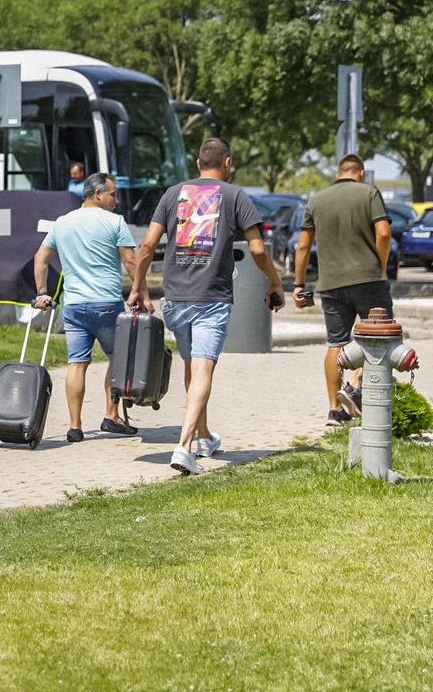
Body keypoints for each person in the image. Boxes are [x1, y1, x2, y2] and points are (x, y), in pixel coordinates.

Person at [128, 137, 285, 475]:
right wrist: (274, 281)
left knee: (192, 366)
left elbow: (147, 246)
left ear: (198, 163)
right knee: (202, 369)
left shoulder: (173, 194)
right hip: (210, 299)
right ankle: (184, 448)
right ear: (227, 163)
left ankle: (203, 437)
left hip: (175, 299)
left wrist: (139, 287)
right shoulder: (235, 195)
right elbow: (257, 249)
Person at [32, 172, 138, 442]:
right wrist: (141, 291)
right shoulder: (115, 222)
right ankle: (111, 416)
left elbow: (41, 258)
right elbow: (130, 261)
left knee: (77, 364)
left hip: (75, 305)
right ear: (98, 194)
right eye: (113, 194)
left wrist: (42, 293)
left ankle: (75, 426)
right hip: (106, 304)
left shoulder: (63, 222)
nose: (117, 199)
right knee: (118, 357)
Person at [292, 154, 392, 425]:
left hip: (330, 284)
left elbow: (302, 246)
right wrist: (380, 266)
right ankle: (357, 388)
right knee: (377, 338)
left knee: (336, 343)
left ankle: (335, 410)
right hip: (369, 280)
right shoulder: (369, 193)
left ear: (339, 172)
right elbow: (383, 233)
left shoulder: (316, 199)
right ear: (359, 173)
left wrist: (299, 285)